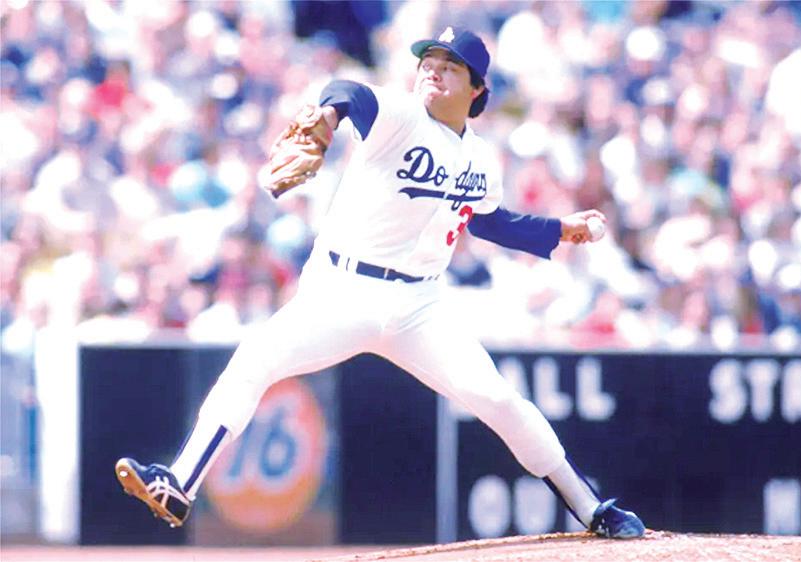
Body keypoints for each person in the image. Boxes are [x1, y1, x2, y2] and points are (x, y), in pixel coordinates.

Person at [115, 27, 645, 540]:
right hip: (343, 290)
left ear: (477, 88)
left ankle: (589, 507)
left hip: (420, 306)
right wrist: (327, 116)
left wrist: (560, 230)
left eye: (450, 66)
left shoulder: (481, 158)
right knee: (256, 359)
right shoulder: (400, 115)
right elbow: (348, 91)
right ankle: (180, 482)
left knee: (499, 399)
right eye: (427, 62)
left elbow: (488, 221)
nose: (432, 71)